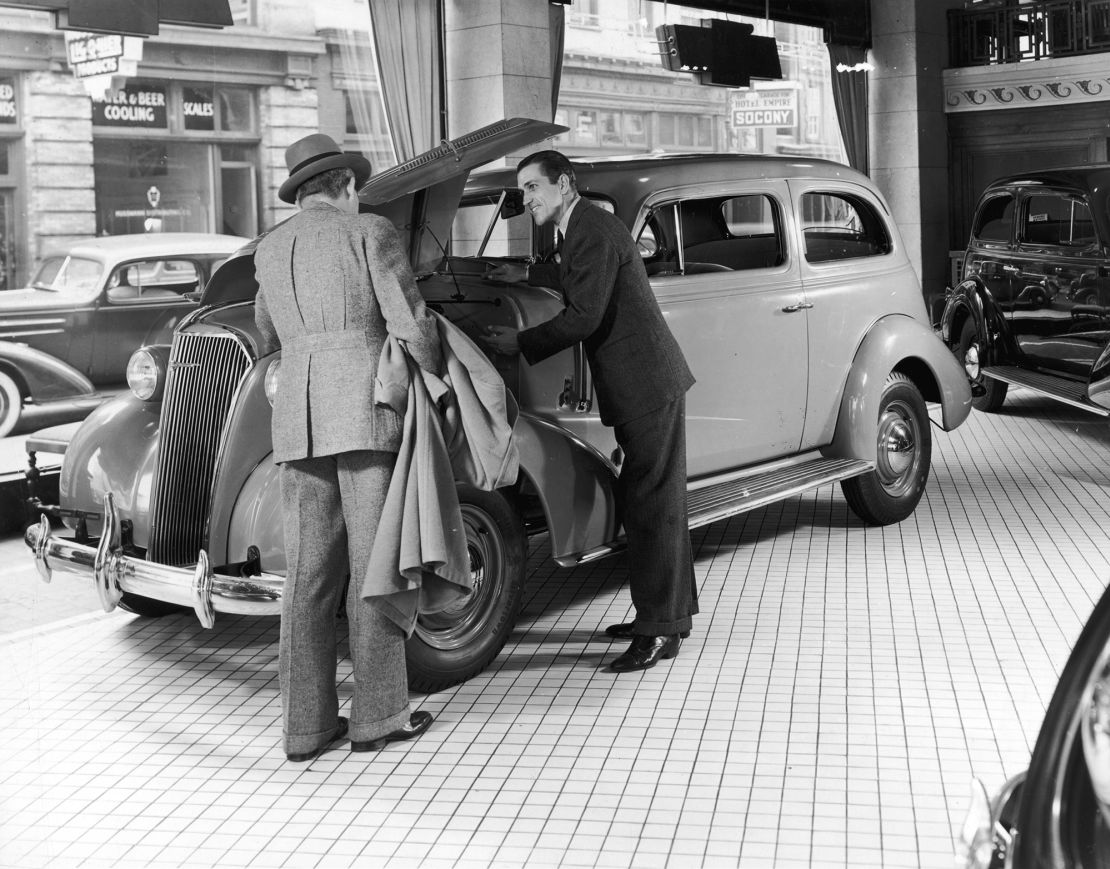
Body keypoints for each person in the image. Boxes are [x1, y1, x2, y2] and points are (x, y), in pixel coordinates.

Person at [254, 133, 442, 761]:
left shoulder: (269, 249)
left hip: (299, 423)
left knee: (307, 577)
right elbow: (409, 321)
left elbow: (266, 333)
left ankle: (305, 729)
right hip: (365, 412)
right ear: (345, 184)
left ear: (301, 192)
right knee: (373, 568)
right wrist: (437, 370)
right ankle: (379, 717)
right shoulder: (371, 232)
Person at [482, 149, 698, 673]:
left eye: (534, 187)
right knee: (650, 499)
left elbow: (583, 316)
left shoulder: (592, 230)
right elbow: (576, 281)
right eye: (524, 189)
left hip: (646, 383)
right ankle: (668, 615)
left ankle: (658, 631)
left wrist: (521, 343)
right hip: (641, 384)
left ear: (565, 184)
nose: (527, 198)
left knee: (652, 504)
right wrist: (516, 274)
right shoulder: (578, 231)